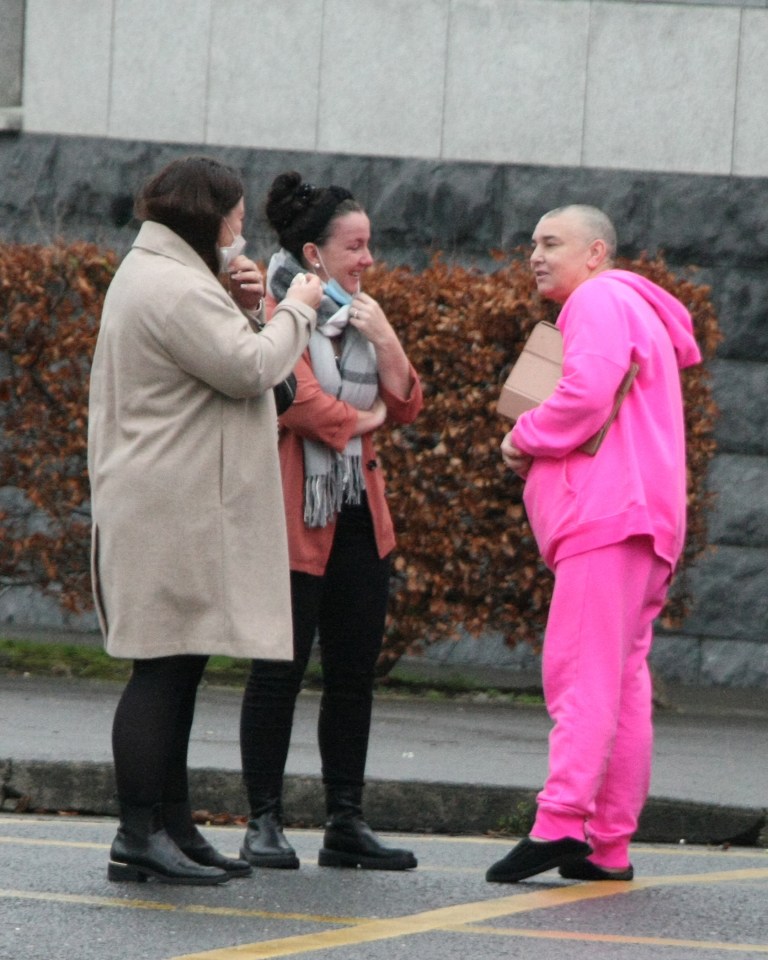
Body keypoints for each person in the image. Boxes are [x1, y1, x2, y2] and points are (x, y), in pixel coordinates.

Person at [88, 156, 322, 885]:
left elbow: (233, 359)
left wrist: (252, 308)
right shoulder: (172, 286)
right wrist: (298, 306)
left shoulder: (168, 276)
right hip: (170, 504)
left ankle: (172, 827)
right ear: (208, 215)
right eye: (236, 213)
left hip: (172, 500)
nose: (242, 226)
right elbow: (252, 371)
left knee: (180, 663)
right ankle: (137, 832)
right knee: (163, 667)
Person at [488, 205, 701, 884]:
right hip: (643, 520)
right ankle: (608, 845)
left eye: (552, 242)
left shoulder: (599, 299)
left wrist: (520, 438)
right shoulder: (632, 305)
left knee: (580, 674)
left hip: (606, 515)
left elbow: (584, 392)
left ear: (596, 251)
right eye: (533, 244)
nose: (536, 255)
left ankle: (559, 823)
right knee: (621, 680)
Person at [238, 172, 423, 871]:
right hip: (294, 518)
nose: (368, 260)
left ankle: (347, 821)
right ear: (315, 254)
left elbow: (406, 405)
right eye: (356, 246)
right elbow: (299, 402)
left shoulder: (361, 314)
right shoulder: (276, 309)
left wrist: (391, 340)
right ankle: (263, 822)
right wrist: (364, 418)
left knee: (352, 677)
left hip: (358, 519)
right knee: (278, 673)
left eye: (370, 246)